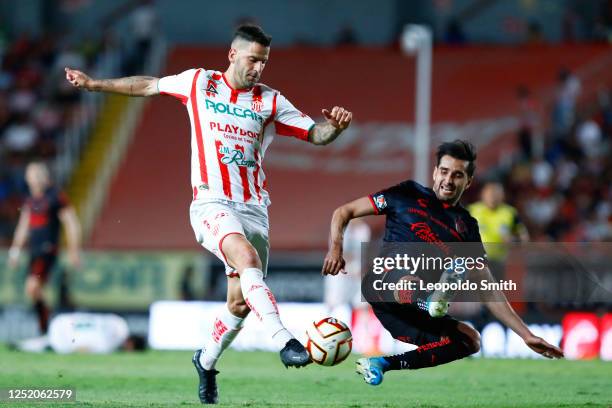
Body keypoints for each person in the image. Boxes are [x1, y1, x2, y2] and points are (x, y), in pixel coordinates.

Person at [65, 24, 352, 404]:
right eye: (253, 59)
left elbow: (314, 135)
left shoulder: (269, 101)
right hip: (211, 203)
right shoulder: (199, 82)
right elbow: (148, 85)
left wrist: (334, 127)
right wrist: (95, 85)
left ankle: (205, 360)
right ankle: (285, 341)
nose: (258, 69)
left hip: (255, 211)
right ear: (232, 55)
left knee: (238, 303)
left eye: (263, 62)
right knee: (245, 259)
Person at [322, 140, 563, 386]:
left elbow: (487, 288)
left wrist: (526, 335)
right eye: (445, 172)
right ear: (435, 172)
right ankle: (431, 301)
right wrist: (335, 249)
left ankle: (381, 364)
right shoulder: (407, 194)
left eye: (457, 175)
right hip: (383, 284)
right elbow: (343, 212)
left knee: (470, 340)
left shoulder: (466, 226)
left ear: (468, 182)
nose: (449, 180)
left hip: (407, 314)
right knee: (408, 278)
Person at [7, 162, 81, 335]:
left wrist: (73, 250)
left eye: (35, 175)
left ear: (44, 177)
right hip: (34, 251)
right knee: (33, 291)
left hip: (48, 249)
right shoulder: (30, 199)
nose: (32, 179)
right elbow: (24, 225)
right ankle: (47, 324)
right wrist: (15, 251)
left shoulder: (55, 197)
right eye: (30, 175)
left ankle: (46, 324)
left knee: (33, 286)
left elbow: (71, 223)